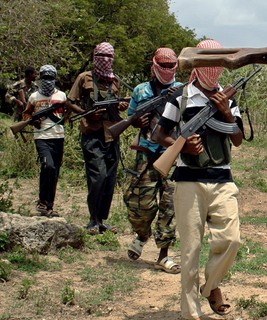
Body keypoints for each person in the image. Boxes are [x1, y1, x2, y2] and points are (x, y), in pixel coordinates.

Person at [155, 39, 243, 319]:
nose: (212, 69)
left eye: (217, 62)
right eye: (207, 62)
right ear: (196, 64)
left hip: (222, 179)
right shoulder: (180, 96)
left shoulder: (228, 98)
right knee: (190, 252)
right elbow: (159, 134)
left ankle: (212, 287)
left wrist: (227, 111)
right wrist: (181, 143)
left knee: (231, 240)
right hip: (188, 179)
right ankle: (190, 313)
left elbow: (238, 139)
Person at [124, 47, 182, 274]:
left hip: (171, 155)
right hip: (145, 155)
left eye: (171, 66)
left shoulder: (181, 90)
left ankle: (163, 255)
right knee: (139, 204)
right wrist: (137, 122)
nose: (168, 70)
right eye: (163, 66)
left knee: (170, 206)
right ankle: (141, 234)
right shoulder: (141, 91)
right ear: (154, 66)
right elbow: (130, 117)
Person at [67, 42, 129, 235]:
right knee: (98, 176)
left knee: (109, 179)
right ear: (94, 56)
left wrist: (120, 107)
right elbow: (69, 102)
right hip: (92, 133)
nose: (105, 60)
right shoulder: (84, 78)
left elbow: (122, 104)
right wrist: (87, 113)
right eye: (101, 55)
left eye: (109, 56)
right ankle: (92, 219)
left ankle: (102, 220)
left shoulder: (116, 81)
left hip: (112, 134)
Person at [22, 65, 67, 217]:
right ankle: (42, 200)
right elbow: (26, 114)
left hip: (58, 137)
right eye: (45, 78)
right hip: (41, 137)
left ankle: (49, 205)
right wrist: (33, 121)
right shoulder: (34, 97)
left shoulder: (62, 96)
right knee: (47, 166)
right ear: (41, 79)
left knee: (54, 171)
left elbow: (66, 117)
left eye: (51, 78)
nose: (48, 81)